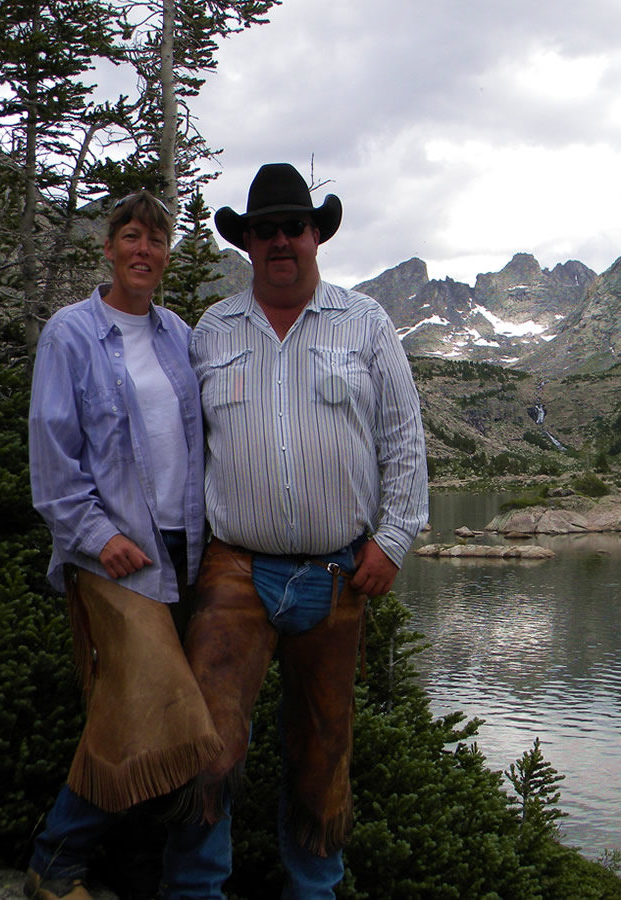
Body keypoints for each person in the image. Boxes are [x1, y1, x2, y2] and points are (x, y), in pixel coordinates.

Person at [185, 162, 429, 899]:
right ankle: (195, 887)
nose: (281, 241)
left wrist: (394, 538)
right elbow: (182, 448)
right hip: (234, 567)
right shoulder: (211, 331)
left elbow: (403, 437)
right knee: (208, 738)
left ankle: (312, 889)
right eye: (265, 230)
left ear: (317, 234)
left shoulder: (367, 324)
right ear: (248, 243)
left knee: (324, 745)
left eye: (294, 226)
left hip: (336, 570)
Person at [26, 191, 225, 900]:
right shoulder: (71, 334)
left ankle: (129, 868)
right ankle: (54, 865)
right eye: (132, 236)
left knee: (148, 713)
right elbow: (52, 460)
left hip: (185, 549)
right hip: (113, 558)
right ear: (108, 247)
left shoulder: (176, 333)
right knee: (144, 707)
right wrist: (96, 535)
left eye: (158, 240)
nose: (145, 250)